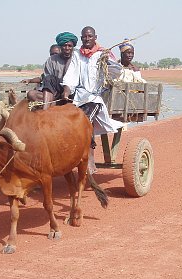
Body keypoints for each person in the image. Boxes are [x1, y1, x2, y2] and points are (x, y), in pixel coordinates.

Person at [62, 26, 124, 173]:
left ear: (95, 37)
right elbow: (72, 74)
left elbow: (117, 72)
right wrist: (66, 89)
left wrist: (107, 62)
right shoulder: (78, 55)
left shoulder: (103, 53)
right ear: (81, 38)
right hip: (79, 96)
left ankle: (90, 157)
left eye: (90, 36)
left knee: (85, 121)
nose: (87, 39)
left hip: (96, 97)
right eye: (84, 37)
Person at [14, 33, 77, 108]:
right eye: (64, 45)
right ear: (61, 47)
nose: (67, 48)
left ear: (73, 47)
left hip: (71, 92)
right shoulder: (51, 60)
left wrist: (67, 90)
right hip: (56, 92)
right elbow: (46, 79)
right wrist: (30, 80)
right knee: (31, 94)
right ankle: (47, 107)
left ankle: (52, 104)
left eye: (69, 46)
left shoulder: (77, 59)